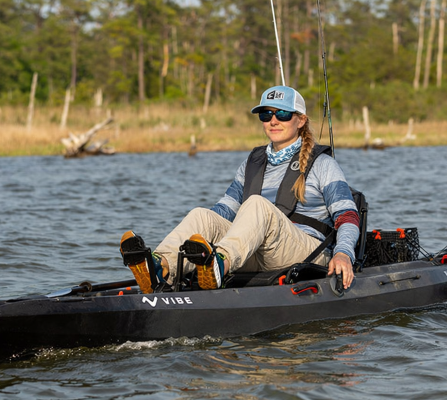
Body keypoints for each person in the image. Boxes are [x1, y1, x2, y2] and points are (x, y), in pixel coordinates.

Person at [120, 85, 360, 294]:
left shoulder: (323, 164)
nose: (273, 121)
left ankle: (218, 265)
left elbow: (348, 216)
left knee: (256, 204)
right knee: (201, 215)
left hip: (307, 251)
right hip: (258, 251)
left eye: (283, 114)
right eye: (266, 115)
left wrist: (344, 254)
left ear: (301, 120)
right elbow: (224, 210)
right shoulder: (253, 162)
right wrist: (208, 230)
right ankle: (159, 269)